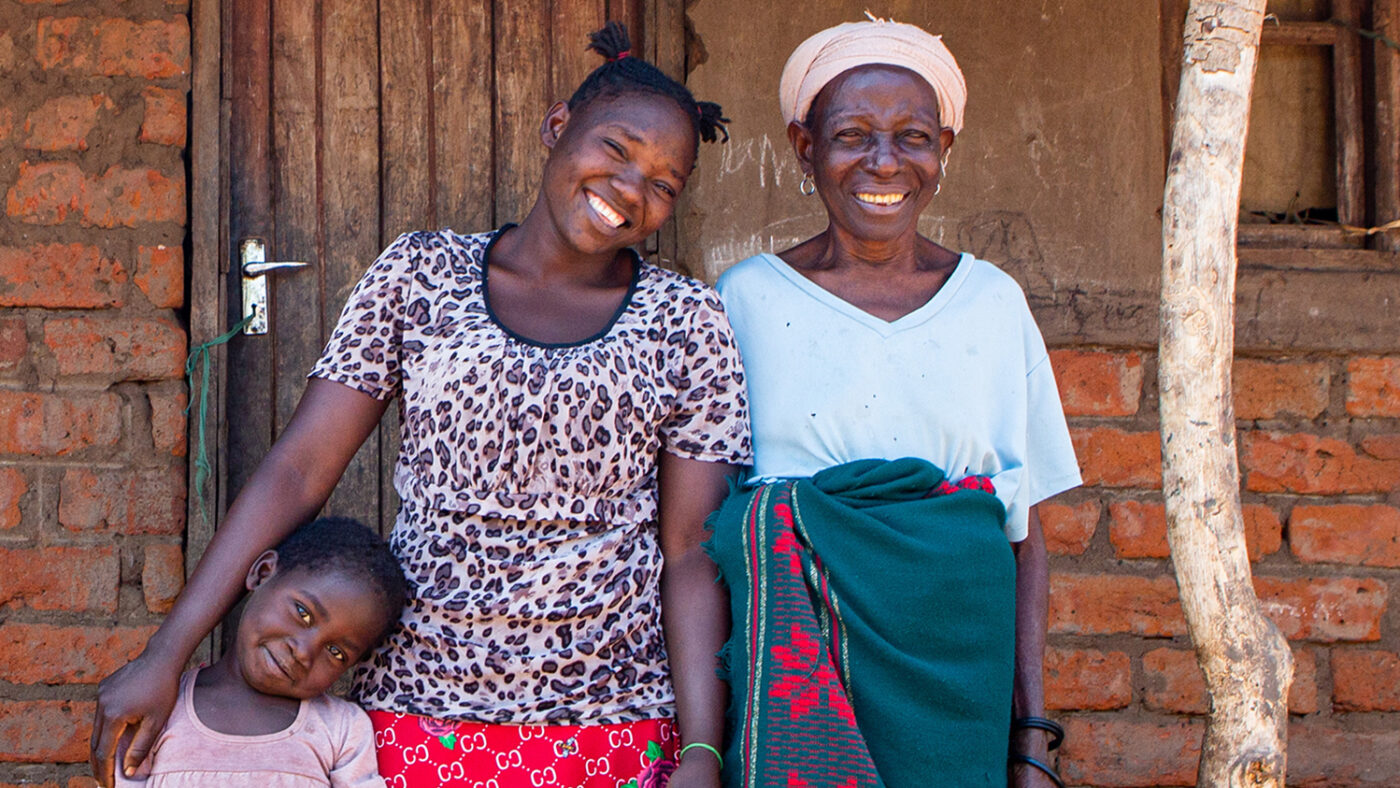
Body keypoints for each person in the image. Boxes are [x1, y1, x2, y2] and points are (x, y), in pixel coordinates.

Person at [91, 22, 750, 788]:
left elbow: (690, 552)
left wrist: (702, 748)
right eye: (617, 149)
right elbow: (299, 472)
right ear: (557, 126)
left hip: (612, 725)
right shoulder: (421, 273)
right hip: (417, 719)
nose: (632, 188)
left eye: (665, 183)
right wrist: (165, 654)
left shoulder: (688, 320)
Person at [708, 17, 1080, 788]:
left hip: (958, 681)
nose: (884, 161)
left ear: (945, 149)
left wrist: (1031, 739)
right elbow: (705, 534)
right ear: (804, 147)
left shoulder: (992, 303)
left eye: (913, 137)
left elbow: (1022, 531)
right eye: (853, 135)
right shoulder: (742, 301)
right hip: (795, 668)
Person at [115, 516, 407, 787]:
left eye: (335, 651)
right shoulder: (162, 709)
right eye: (303, 614)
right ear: (263, 573)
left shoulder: (340, 730)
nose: (303, 652)